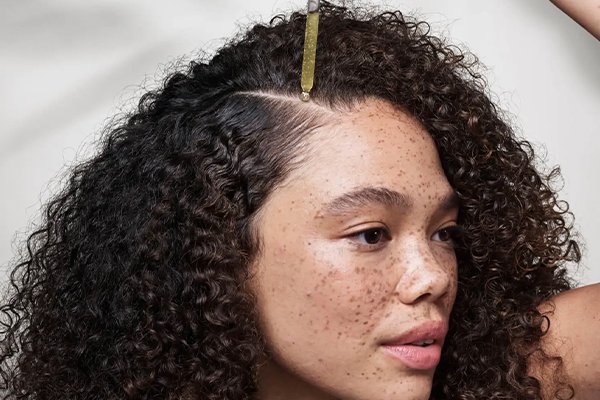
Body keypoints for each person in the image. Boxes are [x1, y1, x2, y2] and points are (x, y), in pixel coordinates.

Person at [0, 2, 598, 400]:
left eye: (443, 231)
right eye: (371, 234)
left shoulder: (498, 374)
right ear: (215, 250)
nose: (432, 278)